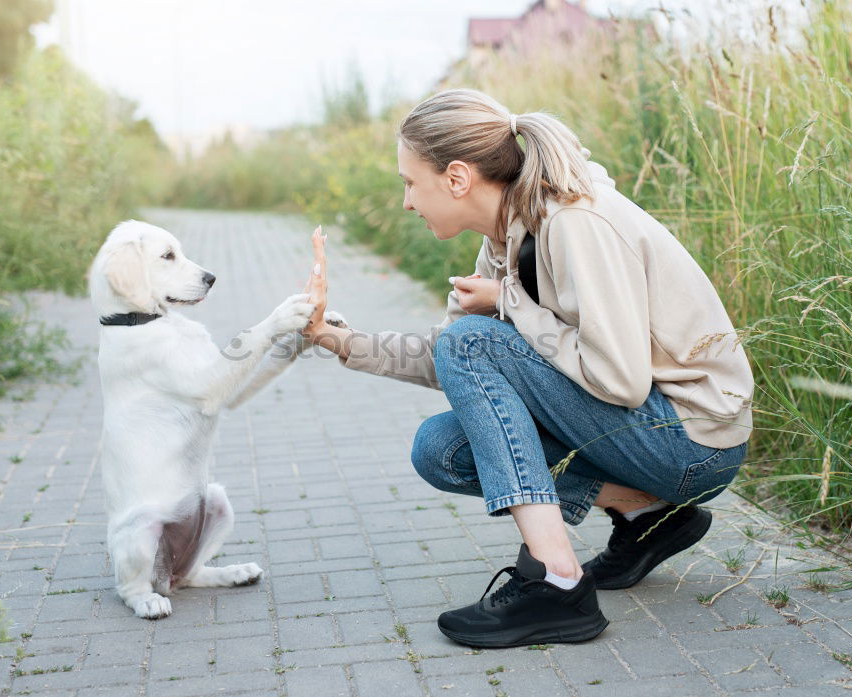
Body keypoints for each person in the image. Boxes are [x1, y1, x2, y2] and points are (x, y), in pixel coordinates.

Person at [301, 88, 753, 649]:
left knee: (470, 342)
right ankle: (651, 518)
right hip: (640, 433)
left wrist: (510, 304)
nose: (406, 202)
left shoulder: (576, 224)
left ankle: (557, 583)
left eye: (410, 183)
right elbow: (456, 361)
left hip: (692, 440)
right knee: (440, 450)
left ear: (458, 178)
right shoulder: (505, 241)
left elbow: (621, 378)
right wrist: (337, 340)